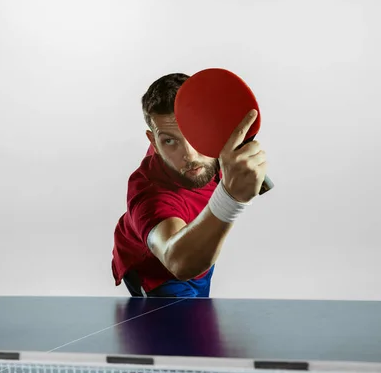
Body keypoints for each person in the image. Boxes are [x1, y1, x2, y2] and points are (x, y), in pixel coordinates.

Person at [111, 72, 268, 298]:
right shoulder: (150, 192)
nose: (189, 155)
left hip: (200, 242)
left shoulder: (216, 149)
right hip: (159, 271)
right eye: (169, 141)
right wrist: (230, 198)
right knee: (178, 326)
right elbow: (178, 261)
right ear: (154, 142)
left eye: (192, 134)